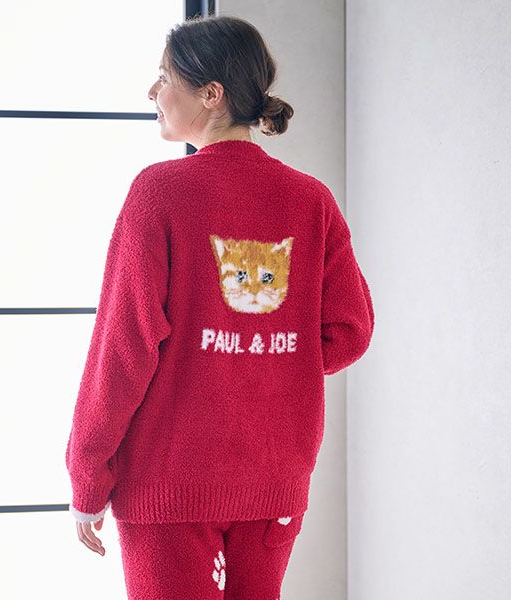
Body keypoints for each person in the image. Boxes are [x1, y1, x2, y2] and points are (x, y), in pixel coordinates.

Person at [65, 13, 375, 600]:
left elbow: (122, 349)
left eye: (164, 78)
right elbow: (349, 330)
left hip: (171, 480)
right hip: (274, 478)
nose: (152, 92)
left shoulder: (159, 194)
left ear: (211, 94)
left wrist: (88, 472)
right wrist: (265, 362)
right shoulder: (311, 200)